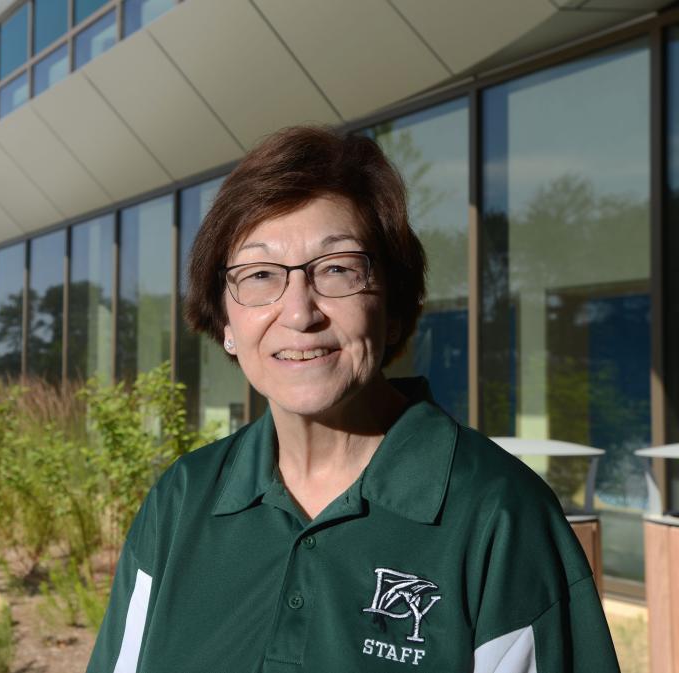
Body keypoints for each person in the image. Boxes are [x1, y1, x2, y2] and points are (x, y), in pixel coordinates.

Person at [86, 126, 620, 673]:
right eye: (260, 274)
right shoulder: (183, 500)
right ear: (226, 321)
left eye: (338, 269)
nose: (299, 313)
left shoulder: (499, 516)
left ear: (392, 309)